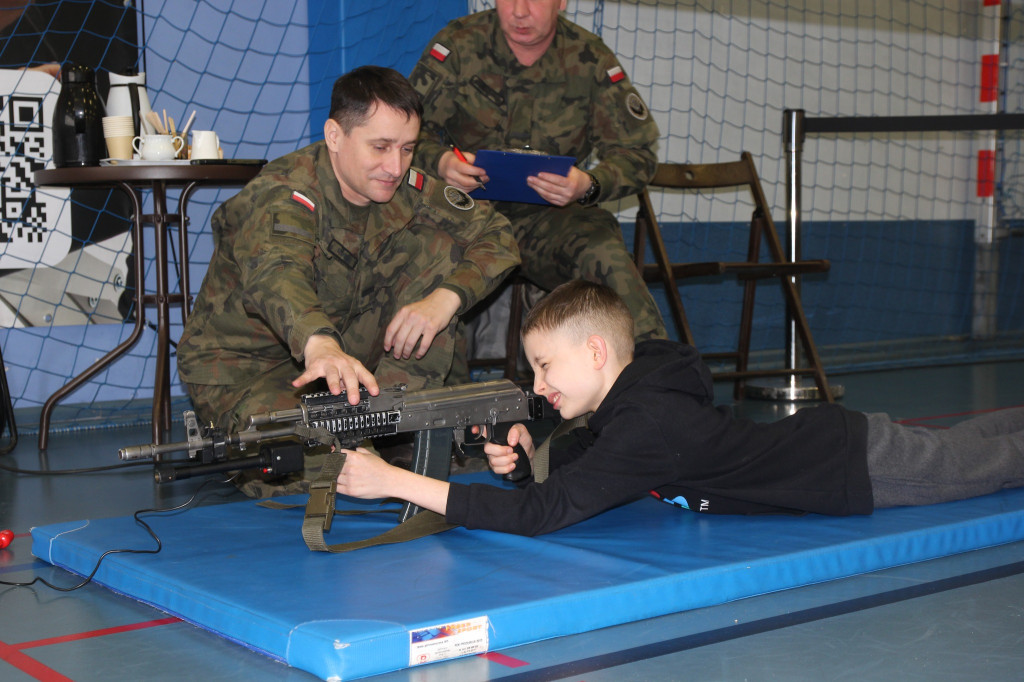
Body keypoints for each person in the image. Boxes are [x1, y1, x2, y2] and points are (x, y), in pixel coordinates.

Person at [335, 279, 1024, 536]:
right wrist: (521, 462)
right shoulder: (632, 402)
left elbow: (542, 515)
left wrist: (396, 481)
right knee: (974, 441)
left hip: (856, 466)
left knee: (989, 465)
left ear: (597, 353)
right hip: (838, 444)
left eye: (545, 366)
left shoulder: (648, 423)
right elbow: (576, 466)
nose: (538, 385)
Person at [177, 66, 520, 446]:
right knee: (326, 465)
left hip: (345, 363)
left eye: (407, 149)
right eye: (380, 147)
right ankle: (363, 444)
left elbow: (497, 234)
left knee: (441, 247)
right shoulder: (283, 193)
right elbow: (277, 271)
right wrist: (319, 343)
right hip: (247, 370)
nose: (396, 167)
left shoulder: (406, 186)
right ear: (335, 136)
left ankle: (393, 421)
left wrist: (446, 298)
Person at [407, 0, 667, 347]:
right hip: (464, 216)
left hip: (551, 221)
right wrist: (441, 162)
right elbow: (404, 131)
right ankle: (435, 382)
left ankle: (653, 372)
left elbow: (637, 152)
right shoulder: (459, 44)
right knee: (422, 266)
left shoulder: (589, 58)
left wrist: (587, 184)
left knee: (605, 257)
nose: (519, 11)